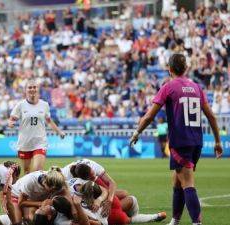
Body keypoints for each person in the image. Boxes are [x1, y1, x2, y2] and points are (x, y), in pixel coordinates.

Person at [130, 53, 223, 225]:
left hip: (180, 141)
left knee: (187, 181)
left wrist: (137, 132)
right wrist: (217, 141)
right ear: (186, 68)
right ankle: (175, 220)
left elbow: (150, 116)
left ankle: (197, 223)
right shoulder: (196, 87)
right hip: (196, 142)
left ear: (169, 69)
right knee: (177, 181)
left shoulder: (168, 87)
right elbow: (211, 116)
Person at [8, 79, 65, 174]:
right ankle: (28, 188)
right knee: (27, 172)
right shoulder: (20, 105)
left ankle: (37, 186)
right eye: (30, 87)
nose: (32, 89)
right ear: (26, 90)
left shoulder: (44, 105)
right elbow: (12, 119)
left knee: (37, 171)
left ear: (37, 89)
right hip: (25, 143)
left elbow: (49, 121)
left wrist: (59, 132)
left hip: (40, 142)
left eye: (34, 87)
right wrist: (11, 124)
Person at [69, 178, 166, 224]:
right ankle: (153, 216)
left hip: (101, 211)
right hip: (109, 211)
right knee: (131, 201)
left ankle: (154, 216)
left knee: (126, 197)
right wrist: (101, 199)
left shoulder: (72, 194)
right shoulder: (91, 183)